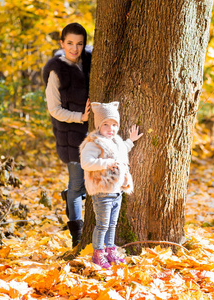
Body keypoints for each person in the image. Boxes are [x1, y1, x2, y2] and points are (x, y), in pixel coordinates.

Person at [42, 23, 91, 248]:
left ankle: (72, 198)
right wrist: (80, 117)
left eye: (79, 44)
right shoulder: (56, 71)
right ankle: (77, 238)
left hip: (93, 136)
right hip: (71, 136)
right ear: (62, 44)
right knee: (76, 184)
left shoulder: (88, 62)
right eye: (70, 43)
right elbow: (55, 109)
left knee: (90, 186)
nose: (74, 48)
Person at [80, 102, 143, 268]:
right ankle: (98, 254)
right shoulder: (94, 143)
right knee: (102, 224)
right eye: (106, 124)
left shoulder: (116, 141)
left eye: (114, 125)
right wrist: (105, 163)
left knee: (112, 224)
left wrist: (131, 140)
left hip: (117, 192)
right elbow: (86, 162)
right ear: (99, 125)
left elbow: (122, 151)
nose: (111, 128)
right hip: (102, 191)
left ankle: (110, 251)